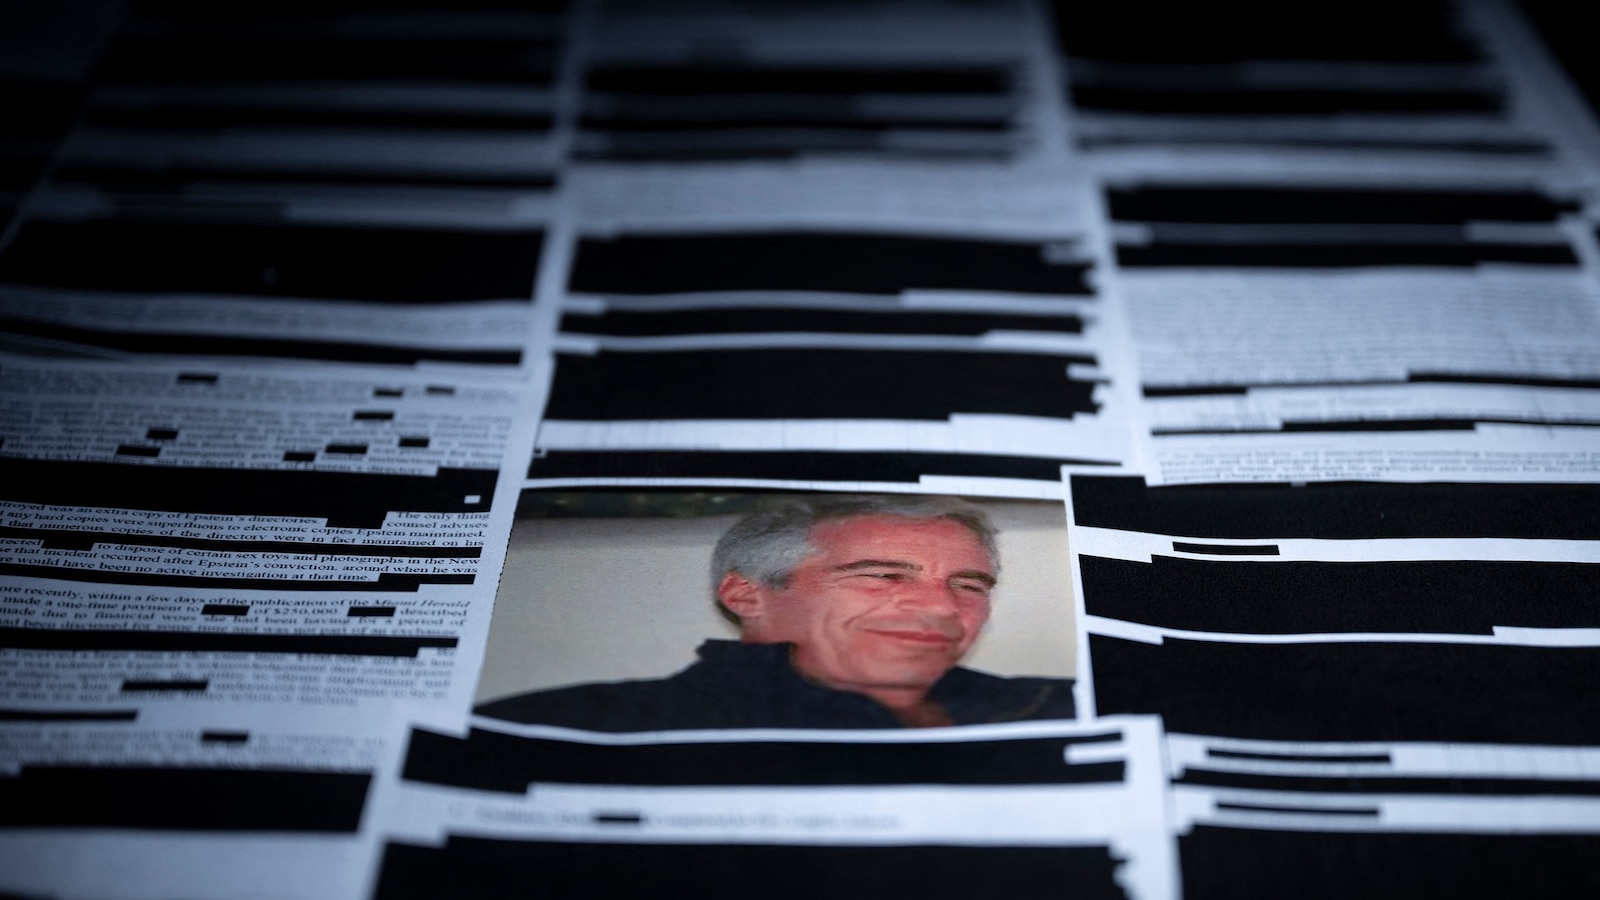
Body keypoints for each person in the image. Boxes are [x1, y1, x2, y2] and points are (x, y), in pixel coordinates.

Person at [475, 495, 1076, 730]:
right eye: (883, 575)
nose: (942, 607)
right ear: (746, 596)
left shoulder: (1067, 709)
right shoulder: (561, 728)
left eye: (969, 584)